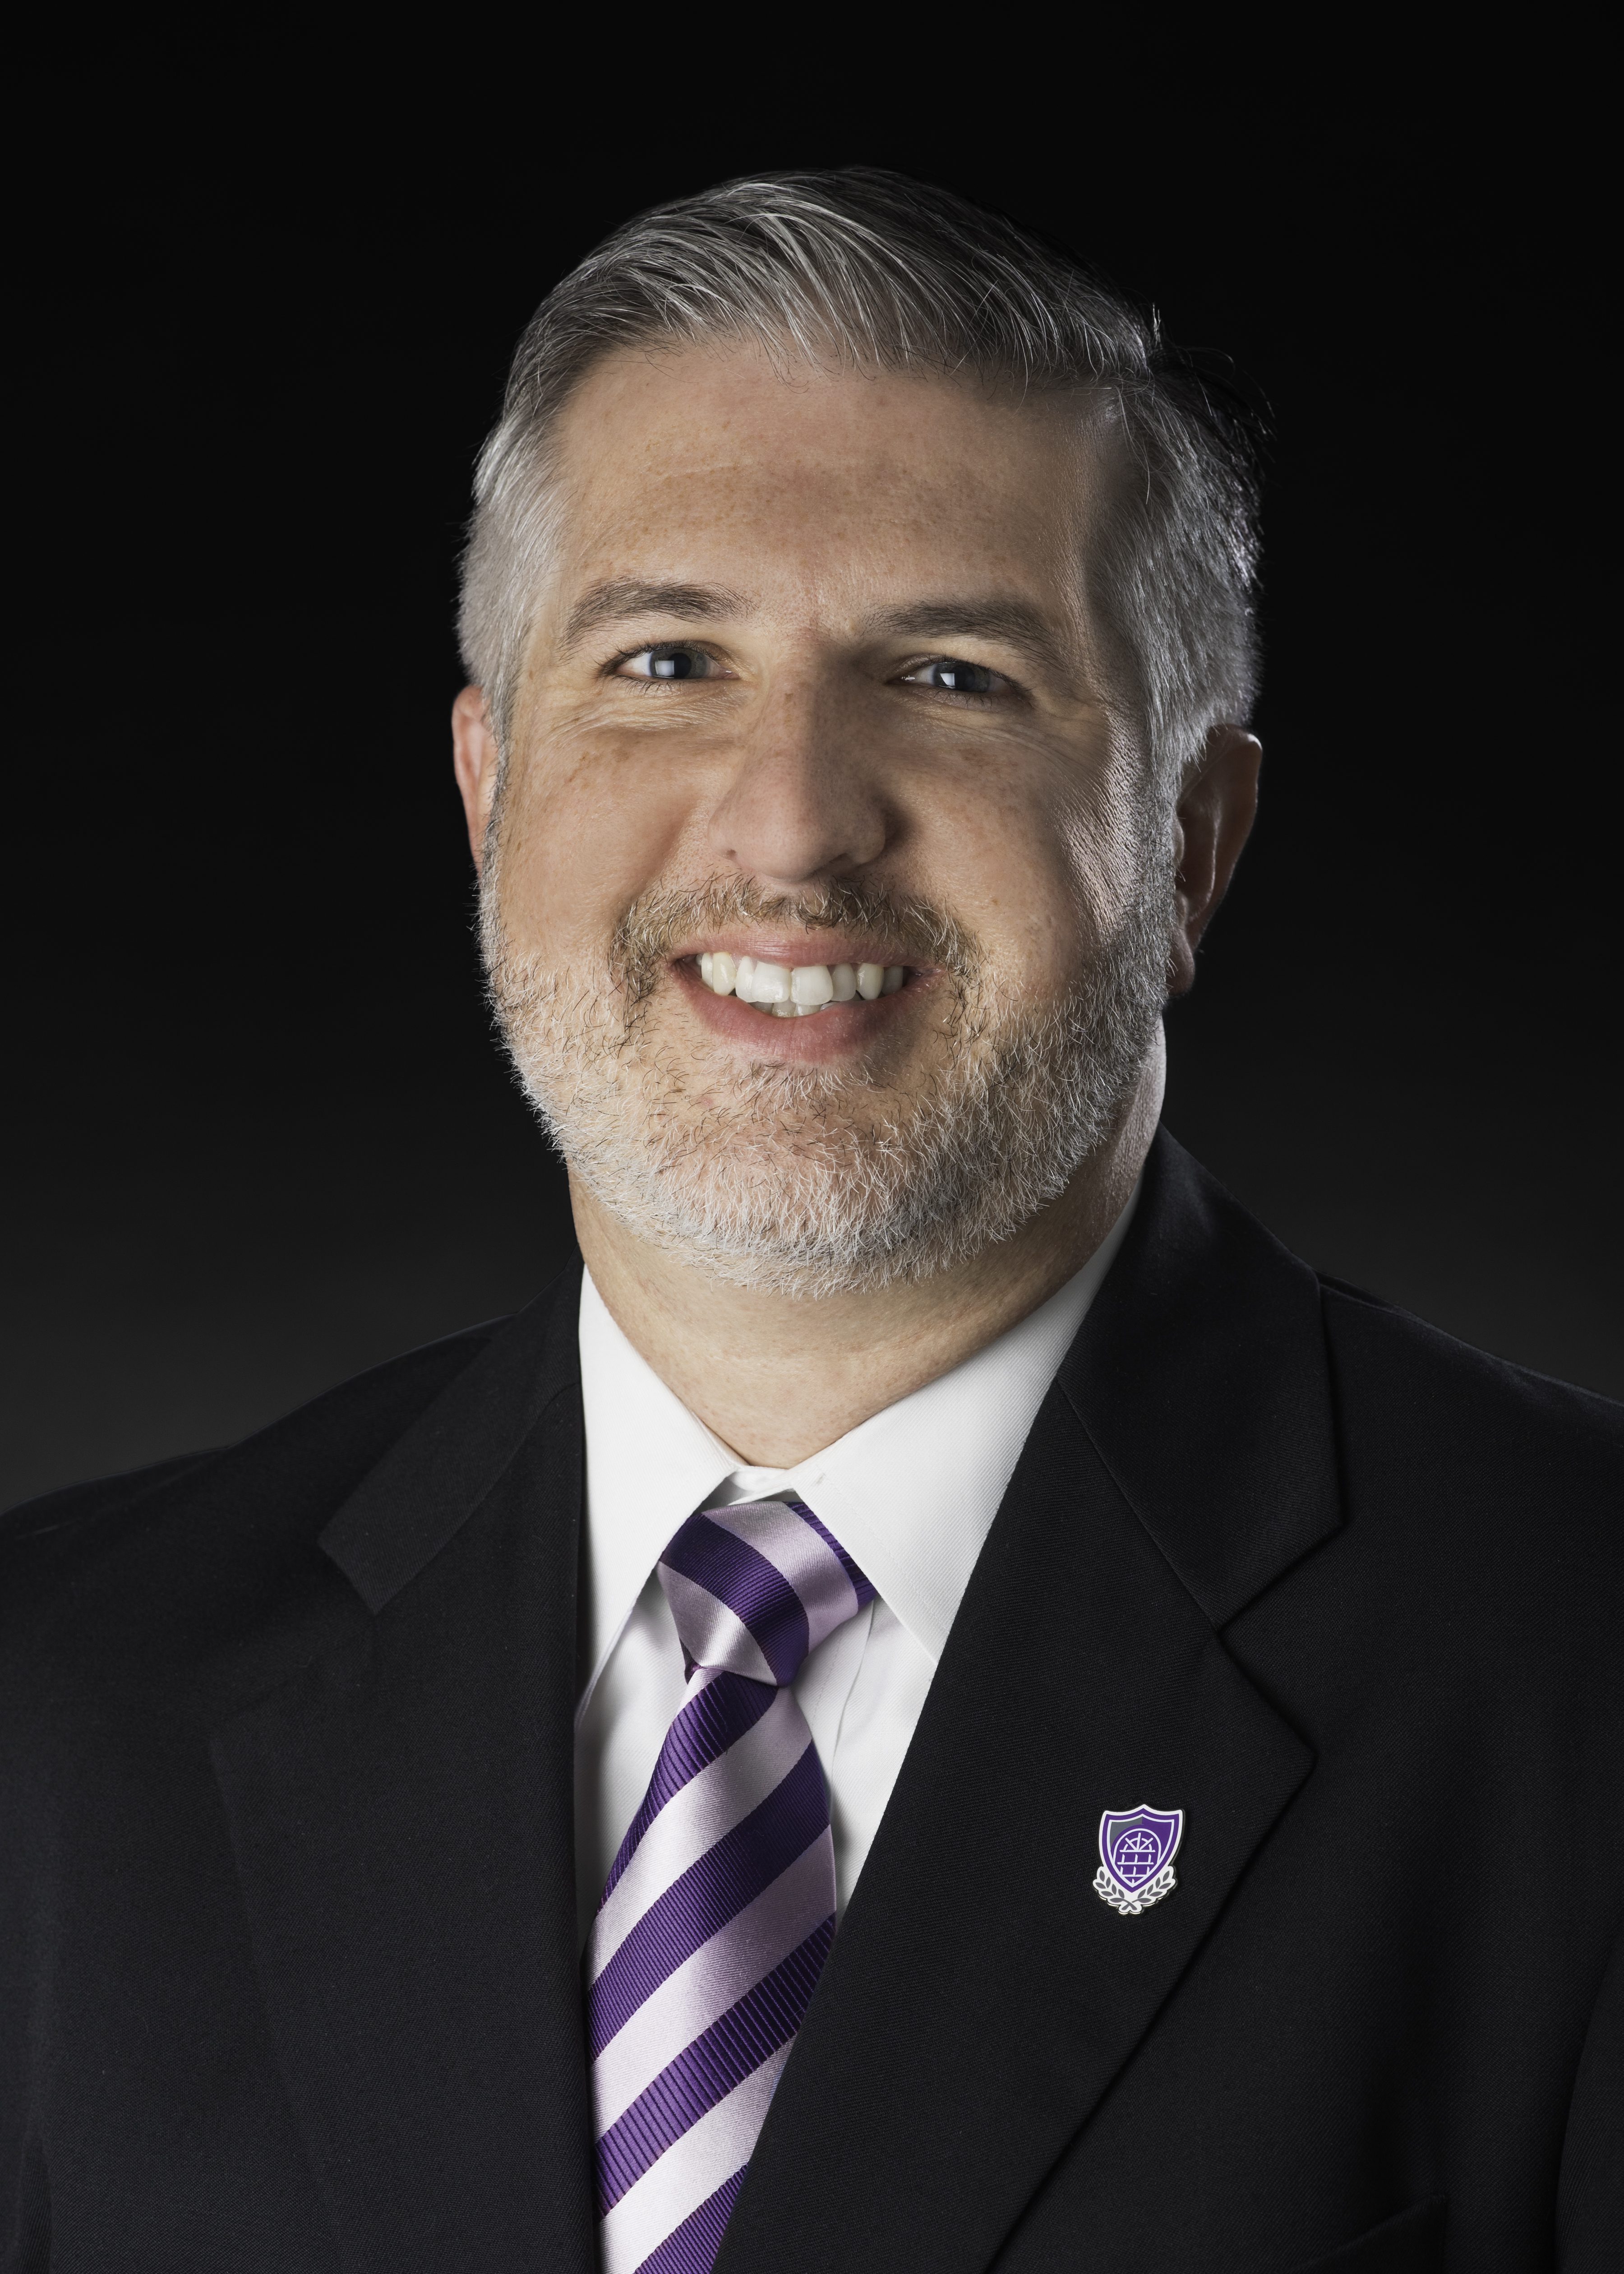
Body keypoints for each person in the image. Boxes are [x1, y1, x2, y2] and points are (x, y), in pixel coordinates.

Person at [2, 170, 1619, 2274]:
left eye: (951, 676)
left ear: (1193, 845)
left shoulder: (1576, 1669)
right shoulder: (61, 1703)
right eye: (668, 660)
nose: (790, 825)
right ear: (491, 793)